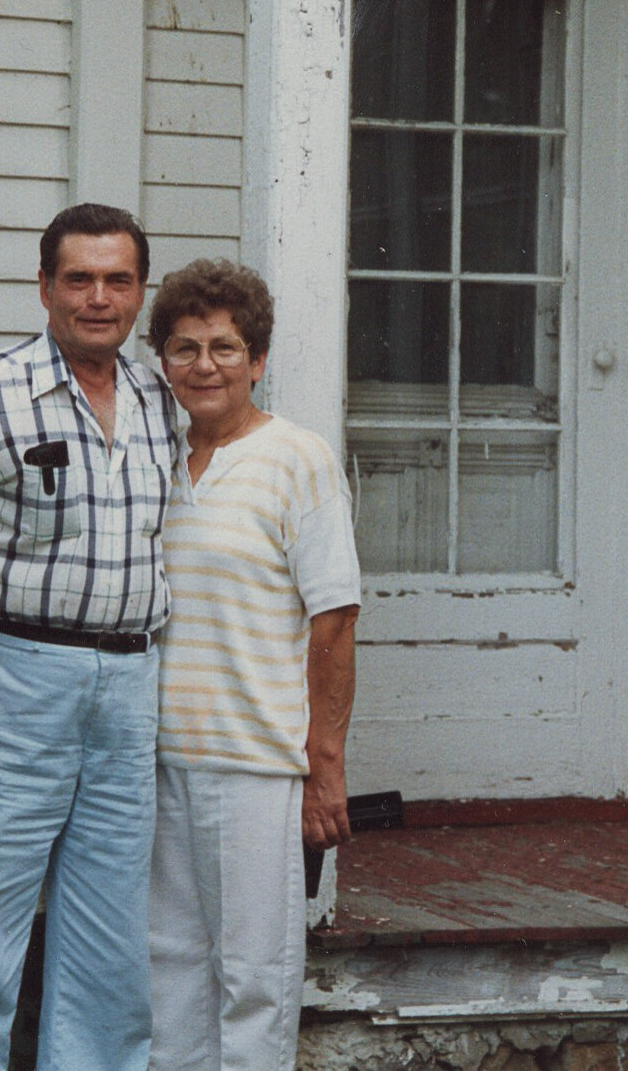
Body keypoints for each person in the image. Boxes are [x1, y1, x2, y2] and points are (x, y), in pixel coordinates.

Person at [0, 203, 177, 1071]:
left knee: (108, 951)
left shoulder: (159, 395)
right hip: (10, 680)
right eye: (79, 278)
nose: (99, 298)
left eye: (117, 279)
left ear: (139, 291)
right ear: (45, 285)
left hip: (127, 689)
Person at [145, 259, 361, 1071]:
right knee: (166, 969)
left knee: (253, 980)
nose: (204, 365)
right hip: (159, 758)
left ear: (258, 359)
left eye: (225, 347)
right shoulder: (152, 462)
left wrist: (323, 769)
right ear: (161, 361)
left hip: (257, 766)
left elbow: (333, 622)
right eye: (184, 347)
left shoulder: (296, 459)